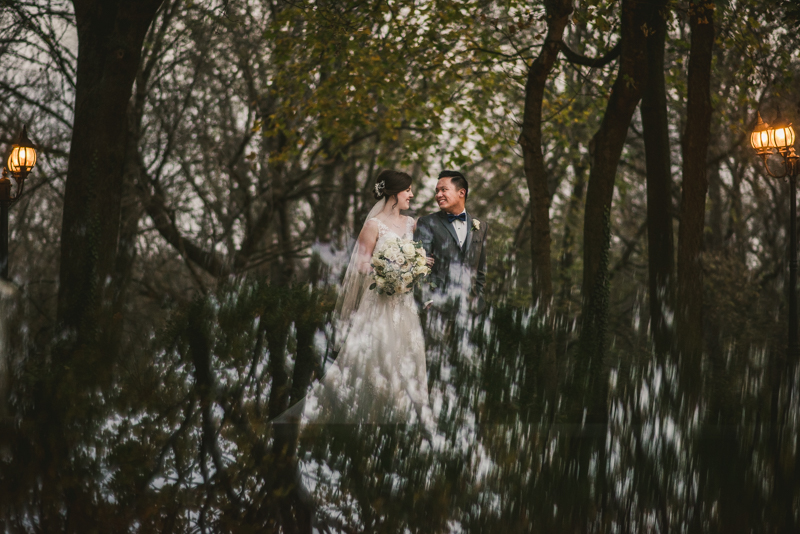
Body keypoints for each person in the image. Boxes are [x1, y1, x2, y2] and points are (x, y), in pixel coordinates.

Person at [282, 169, 433, 425]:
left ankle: (404, 419)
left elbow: (423, 257)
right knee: (374, 358)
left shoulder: (412, 224)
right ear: (394, 193)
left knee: (408, 358)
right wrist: (390, 269)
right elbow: (361, 266)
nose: (412, 194)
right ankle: (361, 416)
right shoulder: (373, 226)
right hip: (378, 303)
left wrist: (417, 265)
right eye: (408, 189)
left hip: (405, 306)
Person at [414, 170, 488, 315]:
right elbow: (418, 266)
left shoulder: (481, 226)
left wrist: (478, 298)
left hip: (469, 309)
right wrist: (427, 299)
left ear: (461, 193)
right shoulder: (427, 222)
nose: (438, 195)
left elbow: (480, 269)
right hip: (436, 307)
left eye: (443, 190)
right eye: (437, 191)